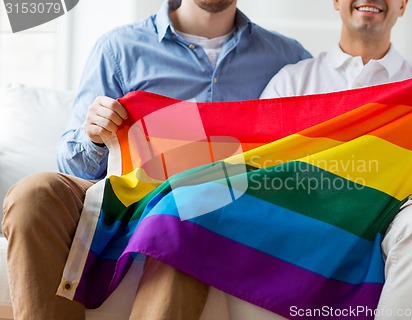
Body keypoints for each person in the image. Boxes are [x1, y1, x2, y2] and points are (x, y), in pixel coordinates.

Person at [1, 0, 311, 319]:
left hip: (215, 210)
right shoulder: (119, 48)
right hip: (124, 198)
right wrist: (93, 135)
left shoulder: (288, 60)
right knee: (34, 193)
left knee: (192, 204)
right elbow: (72, 167)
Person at [261, 0, 412, 319]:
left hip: (398, 216)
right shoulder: (291, 83)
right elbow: (259, 177)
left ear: (403, 5)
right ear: (336, 2)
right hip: (316, 220)